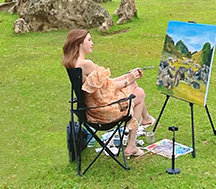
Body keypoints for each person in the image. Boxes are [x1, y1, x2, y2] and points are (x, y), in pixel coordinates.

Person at [63, 29, 155, 158]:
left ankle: (146, 119)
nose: (92, 43)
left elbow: (106, 83)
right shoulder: (86, 64)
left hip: (90, 109)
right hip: (102, 111)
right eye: (89, 40)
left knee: (133, 85)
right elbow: (108, 87)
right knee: (139, 92)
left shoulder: (72, 64)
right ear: (79, 44)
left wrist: (128, 76)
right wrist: (128, 80)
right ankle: (131, 146)